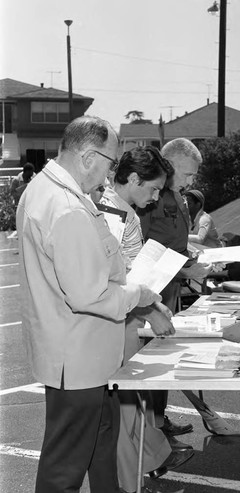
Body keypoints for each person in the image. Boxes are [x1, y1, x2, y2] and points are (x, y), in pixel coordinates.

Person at [16, 116, 161, 493]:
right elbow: (90, 295)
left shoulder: (46, 190)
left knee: (99, 452)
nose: (111, 173)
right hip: (78, 359)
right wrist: (140, 295)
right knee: (64, 470)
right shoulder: (67, 207)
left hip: (81, 356)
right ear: (87, 157)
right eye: (112, 163)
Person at [99, 146, 194, 492]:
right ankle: (130, 481)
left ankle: (138, 472)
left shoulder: (123, 210)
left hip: (126, 314)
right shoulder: (110, 213)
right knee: (125, 408)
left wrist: (151, 303)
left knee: (130, 406)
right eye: (153, 189)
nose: (156, 198)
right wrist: (150, 308)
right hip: (115, 321)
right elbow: (114, 278)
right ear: (134, 179)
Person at [137, 138, 211, 435]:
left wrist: (190, 259)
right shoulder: (150, 198)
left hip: (171, 290)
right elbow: (140, 249)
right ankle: (150, 431)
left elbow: (175, 243)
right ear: (168, 167)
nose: (191, 182)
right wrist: (186, 268)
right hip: (150, 294)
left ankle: (159, 420)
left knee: (164, 357)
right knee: (147, 360)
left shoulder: (178, 198)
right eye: (187, 175)